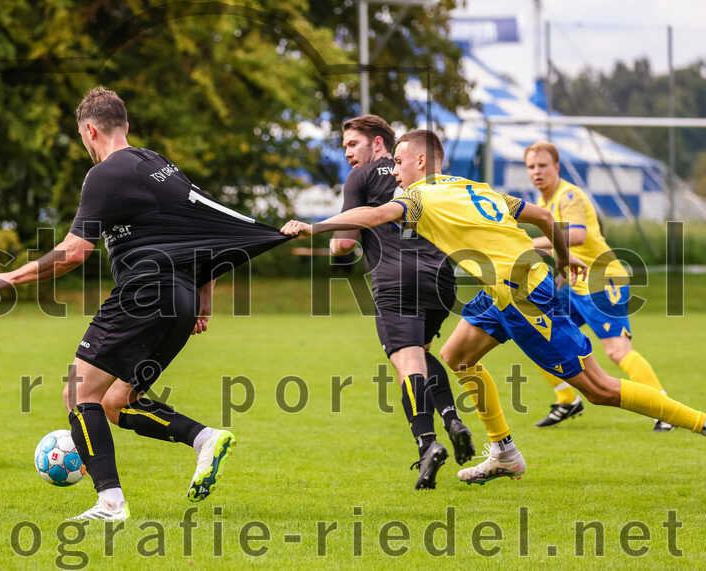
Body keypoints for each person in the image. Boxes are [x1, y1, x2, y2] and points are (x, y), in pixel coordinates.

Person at [280, 129, 706, 485]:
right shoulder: (471, 188)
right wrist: (559, 257)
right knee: (456, 357)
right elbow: (541, 216)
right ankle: (505, 453)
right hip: (502, 289)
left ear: (422, 164)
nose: (394, 171)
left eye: (400, 162)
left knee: (598, 390)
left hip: (522, 295)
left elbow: (371, 217)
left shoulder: (418, 199)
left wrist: (312, 225)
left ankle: (700, 422)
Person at [0, 86, 289, 520]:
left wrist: (10, 275)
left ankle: (110, 501)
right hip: (178, 301)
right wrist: (202, 302)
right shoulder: (158, 163)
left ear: (89, 130)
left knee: (78, 393)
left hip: (144, 293)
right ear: (126, 125)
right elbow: (203, 230)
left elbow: (74, 251)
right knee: (115, 401)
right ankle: (204, 439)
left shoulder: (104, 174)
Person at [329, 115, 474, 489]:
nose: (347, 153)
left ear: (379, 143)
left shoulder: (360, 178)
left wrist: (335, 244)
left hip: (396, 280)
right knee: (423, 353)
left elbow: (344, 243)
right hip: (442, 279)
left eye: (352, 144)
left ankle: (427, 444)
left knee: (407, 361)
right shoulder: (430, 179)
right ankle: (452, 417)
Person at [525, 141, 672, 431]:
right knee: (536, 333)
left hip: (602, 280)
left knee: (617, 350)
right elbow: (567, 252)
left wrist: (529, 243)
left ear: (556, 167)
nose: (536, 172)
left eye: (542, 166)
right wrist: (560, 282)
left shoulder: (569, 195)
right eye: (531, 167)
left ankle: (664, 410)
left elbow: (577, 236)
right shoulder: (544, 201)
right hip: (576, 284)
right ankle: (567, 400)